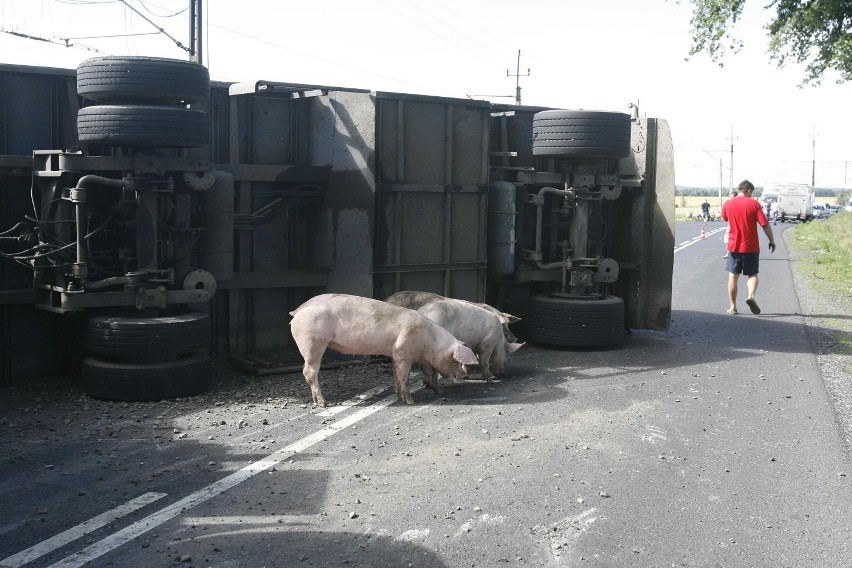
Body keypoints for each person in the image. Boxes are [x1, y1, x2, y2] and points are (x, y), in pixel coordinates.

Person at [720, 180, 776, 315]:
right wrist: (771, 240)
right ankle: (751, 296)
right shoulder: (754, 204)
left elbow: (725, 218)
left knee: (733, 276)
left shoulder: (728, 203)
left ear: (739, 190)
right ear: (749, 191)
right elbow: (765, 224)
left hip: (734, 246)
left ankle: (733, 307)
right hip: (751, 246)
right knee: (752, 274)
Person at [722, 190, 738, 258]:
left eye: (732, 197)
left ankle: (731, 253)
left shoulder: (729, 204)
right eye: (730, 197)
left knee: (727, 238)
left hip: (732, 224)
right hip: (733, 224)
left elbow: (724, 217)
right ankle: (730, 252)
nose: (731, 199)